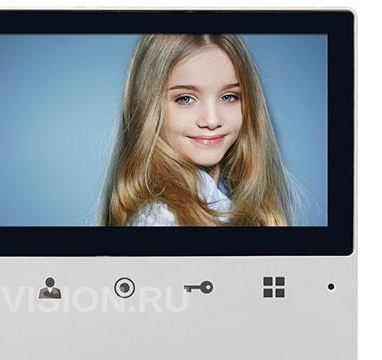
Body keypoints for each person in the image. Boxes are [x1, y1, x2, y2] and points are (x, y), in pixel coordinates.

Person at [100, 34, 297, 226]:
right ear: (146, 108)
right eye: (185, 99)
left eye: (229, 97)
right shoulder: (160, 218)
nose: (212, 121)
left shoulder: (229, 199)